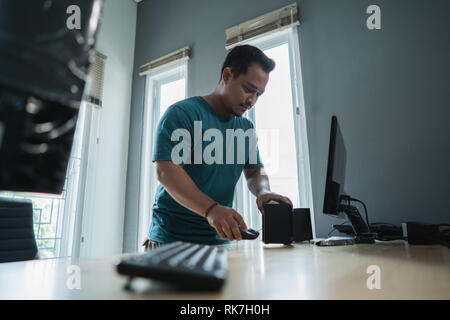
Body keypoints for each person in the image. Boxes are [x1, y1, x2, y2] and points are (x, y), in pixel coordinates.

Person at [144, 45, 292, 249]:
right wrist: (211, 209)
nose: (252, 100)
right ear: (227, 75)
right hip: (171, 241)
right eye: (248, 89)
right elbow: (166, 171)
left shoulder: (246, 128)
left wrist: (263, 192)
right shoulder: (183, 113)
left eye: (259, 94)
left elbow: (255, 171)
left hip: (219, 242)